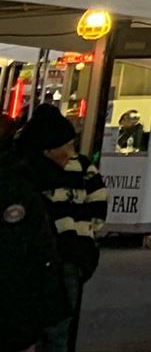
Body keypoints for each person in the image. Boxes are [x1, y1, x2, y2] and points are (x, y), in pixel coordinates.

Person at [14, 105, 105, 352]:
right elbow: (99, 205)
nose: (70, 151)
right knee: (58, 329)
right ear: (50, 148)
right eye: (67, 145)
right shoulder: (83, 167)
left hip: (45, 261)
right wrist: (85, 237)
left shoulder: (23, 174)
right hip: (67, 259)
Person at [0, 135, 69, 352]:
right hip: (18, 304)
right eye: (66, 145)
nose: (70, 153)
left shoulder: (22, 183)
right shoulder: (19, 188)